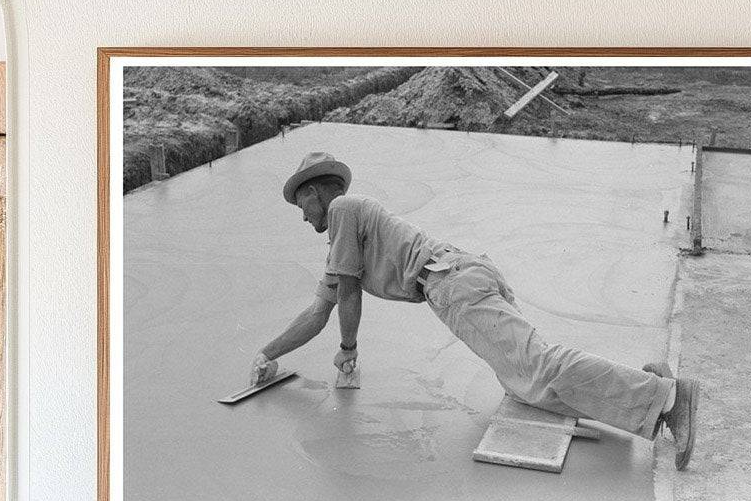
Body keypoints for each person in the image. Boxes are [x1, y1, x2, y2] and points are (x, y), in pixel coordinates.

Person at [252, 151, 700, 469]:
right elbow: (318, 311)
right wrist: (267, 353)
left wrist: (348, 348)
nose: (301, 215)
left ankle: (670, 399)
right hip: (454, 282)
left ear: (316, 193)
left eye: (300, 203)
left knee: (538, 366)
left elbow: (348, 295)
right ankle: (653, 390)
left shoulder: (345, 209)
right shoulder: (341, 243)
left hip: (452, 283)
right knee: (527, 384)